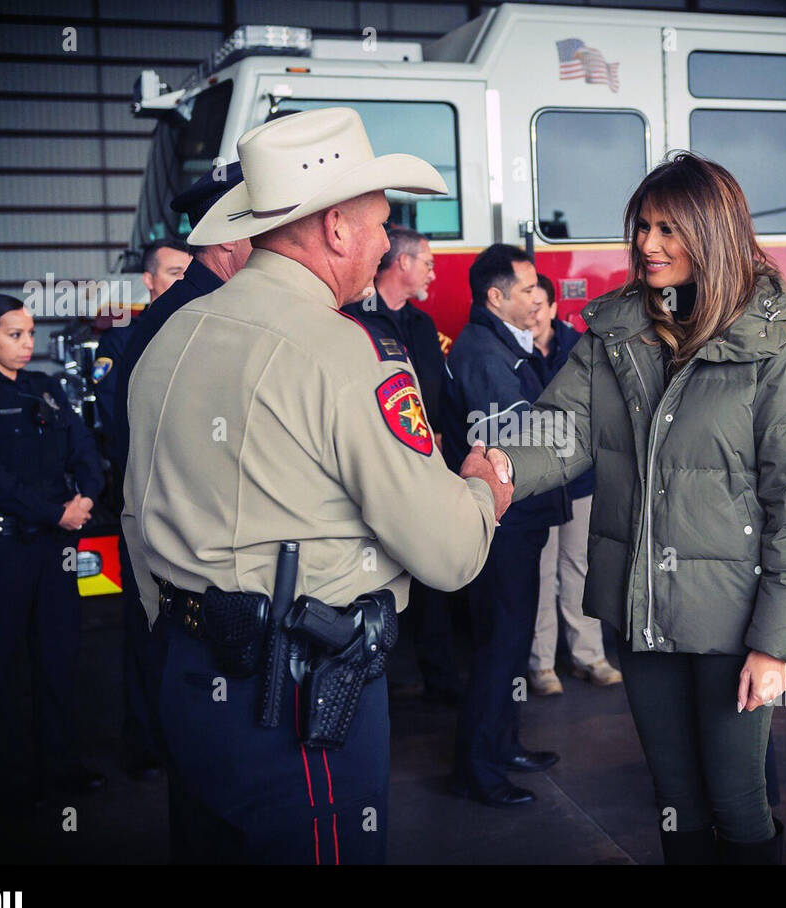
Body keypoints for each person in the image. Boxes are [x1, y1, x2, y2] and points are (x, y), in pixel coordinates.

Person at [123, 107, 510, 864]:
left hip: (185, 674)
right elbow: (450, 552)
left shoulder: (176, 332)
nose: (383, 245)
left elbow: (138, 512)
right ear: (336, 228)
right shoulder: (347, 353)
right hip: (295, 700)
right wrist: (484, 490)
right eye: (378, 224)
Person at [485, 152, 786, 863]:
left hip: (735, 619)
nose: (648, 244)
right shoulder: (616, 333)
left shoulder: (771, 344)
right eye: (642, 226)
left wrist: (777, 642)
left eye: (669, 229)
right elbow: (564, 429)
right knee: (674, 803)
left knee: (739, 804)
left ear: (713, 234)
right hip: (641, 612)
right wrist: (499, 468)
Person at [105, 164, 251, 780]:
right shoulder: (192, 319)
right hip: (192, 546)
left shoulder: (201, 305)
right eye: (262, 233)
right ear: (224, 243)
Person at [0, 295, 107, 811]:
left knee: (58, 658)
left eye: (31, 333)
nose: (27, 344)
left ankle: (60, 763)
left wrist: (86, 497)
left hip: (55, 549)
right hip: (3, 549)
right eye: (14, 335)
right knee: (0, 664)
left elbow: (86, 451)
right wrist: (55, 512)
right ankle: (10, 776)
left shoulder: (47, 388)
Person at [445, 244, 570, 807]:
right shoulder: (482, 351)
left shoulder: (506, 344)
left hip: (525, 517)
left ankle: (503, 743)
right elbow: (520, 434)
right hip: (504, 525)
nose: (537, 296)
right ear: (496, 298)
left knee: (513, 639)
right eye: (526, 289)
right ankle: (477, 767)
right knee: (498, 644)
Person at [341, 226, 464, 706]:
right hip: (376, 476)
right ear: (402, 264)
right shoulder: (355, 322)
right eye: (428, 262)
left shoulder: (421, 325)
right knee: (376, 579)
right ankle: (377, 682)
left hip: (426, 472)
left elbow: (436, 395)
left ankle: (440, 677)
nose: (434, 271)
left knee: (430, 580)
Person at [527, 273, 621, 695]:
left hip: (580, 479)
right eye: (525, 301)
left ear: (552, 308)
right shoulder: (512, 351)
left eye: (538, 304)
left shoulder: (577, 346)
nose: (531, 312)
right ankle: (541, 665)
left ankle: (590, 657)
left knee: (580, 567)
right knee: (542, 573)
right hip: (538, 485)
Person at [93, 238, 191, 449]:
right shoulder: (120, 339)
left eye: (188, 274)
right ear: (149, 280)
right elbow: (112, 411)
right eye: (174, 273)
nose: (184, 281)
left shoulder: (203, 331)